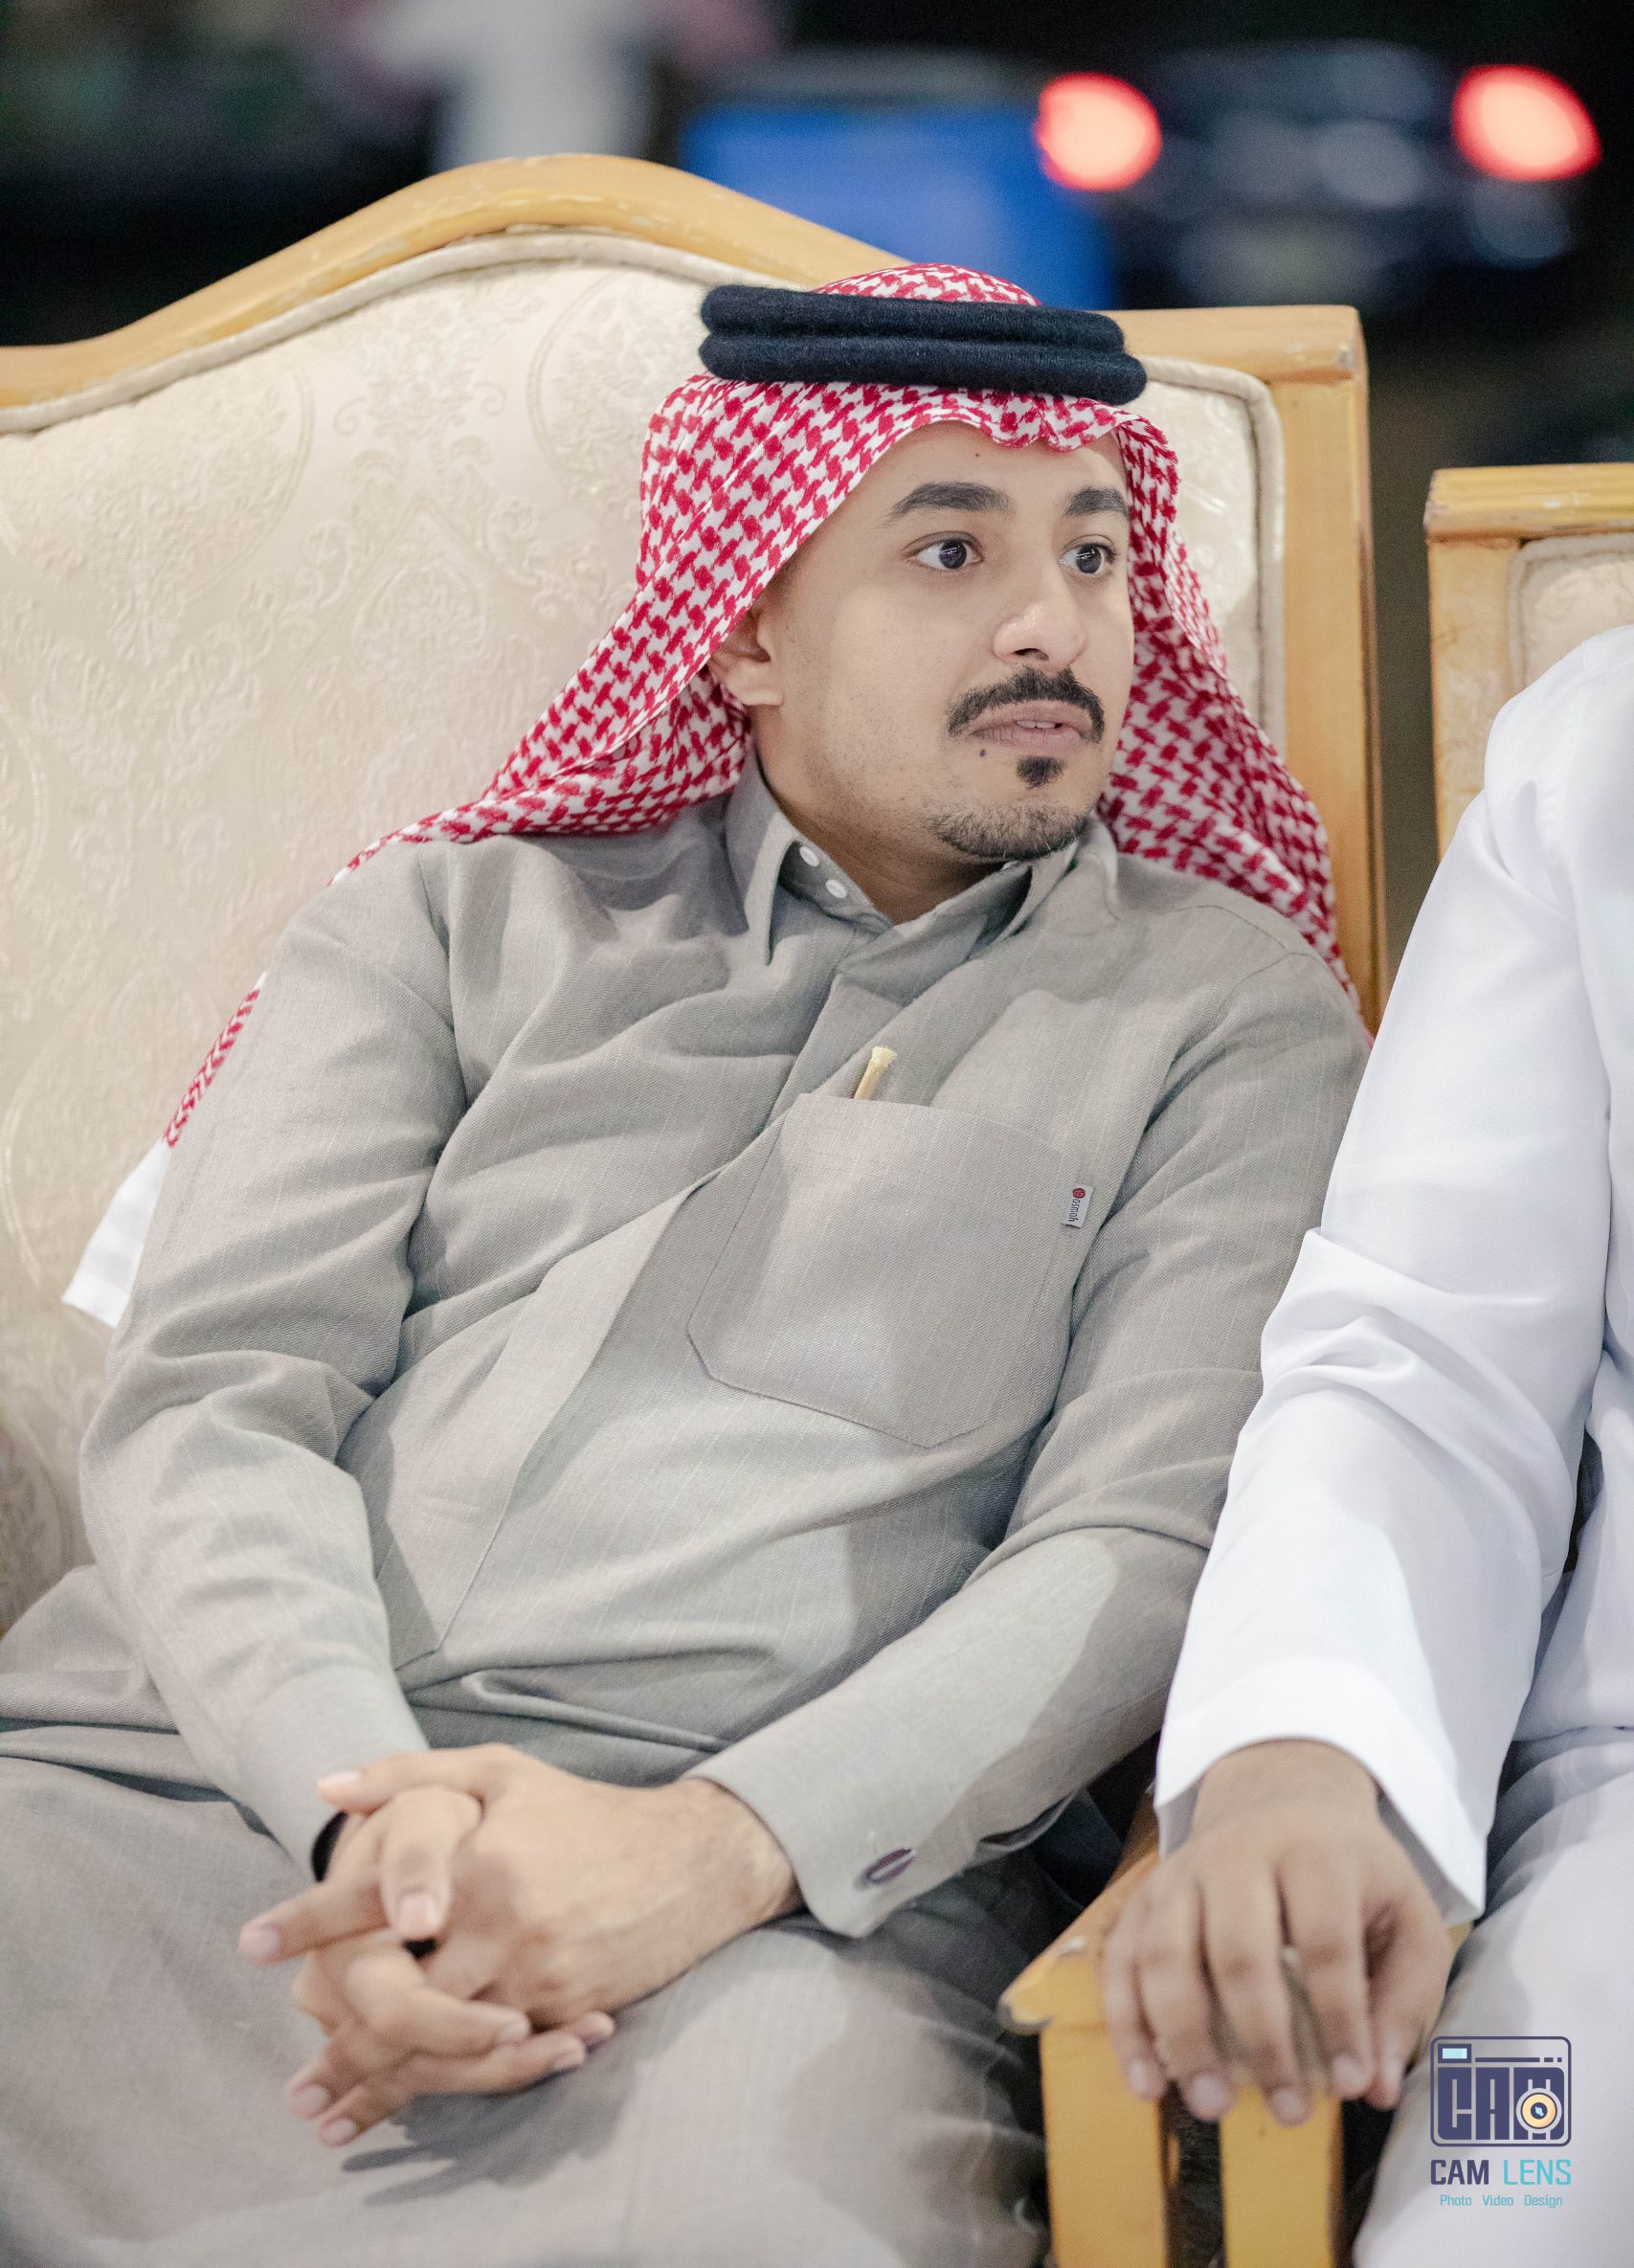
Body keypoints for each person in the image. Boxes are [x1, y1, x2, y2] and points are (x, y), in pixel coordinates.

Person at [0, 263, 1364, 2268]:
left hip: (779, 1905)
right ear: (740, 621)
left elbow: (1141, 1542)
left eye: (1090, 552)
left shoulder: (1226, 1015)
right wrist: (371, 1818)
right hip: (189, 1795)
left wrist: (703, 1854)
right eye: (951, 549)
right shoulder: (442, 924)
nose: (1051, 624)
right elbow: (218, 1399)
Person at [1104, 625, 1634, 2262]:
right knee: (1486, 2214)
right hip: (1619, 1863)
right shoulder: (1597, 753)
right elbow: (1424, 1354)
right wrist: (1300, 1742)